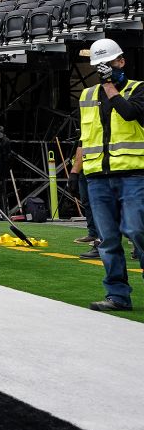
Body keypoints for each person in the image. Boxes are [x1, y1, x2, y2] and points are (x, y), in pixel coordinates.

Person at [79, 38, 144, 312]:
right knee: (107, 240)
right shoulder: (87, 96)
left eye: (109, 63)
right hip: (97, 177)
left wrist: (109, 85)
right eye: (99, 65)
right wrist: (76, 169)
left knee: (138, 231)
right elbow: (83, 137)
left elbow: (130, 114)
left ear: (121, 61)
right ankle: (117, 296)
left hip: (133, 174)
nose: (104, 68)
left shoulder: (138, 89)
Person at [70, 147, 102, 259]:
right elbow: (81, 144)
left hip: (103, 167)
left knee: (105, 205)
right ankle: (95, 235)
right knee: (88, 202)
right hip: (87, 167)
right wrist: (75, 171)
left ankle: (102, 239)